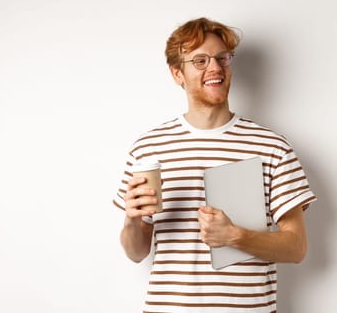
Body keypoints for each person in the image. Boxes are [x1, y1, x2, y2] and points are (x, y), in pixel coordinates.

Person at [113, 17, 316, 312]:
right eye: (200, 60)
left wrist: (235, 235)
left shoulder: (272, 147)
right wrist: (132, 220)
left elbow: (296, 248)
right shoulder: (148, 149)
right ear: (176, 73)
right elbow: (136, 253)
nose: (215, 68)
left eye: (223, 58)